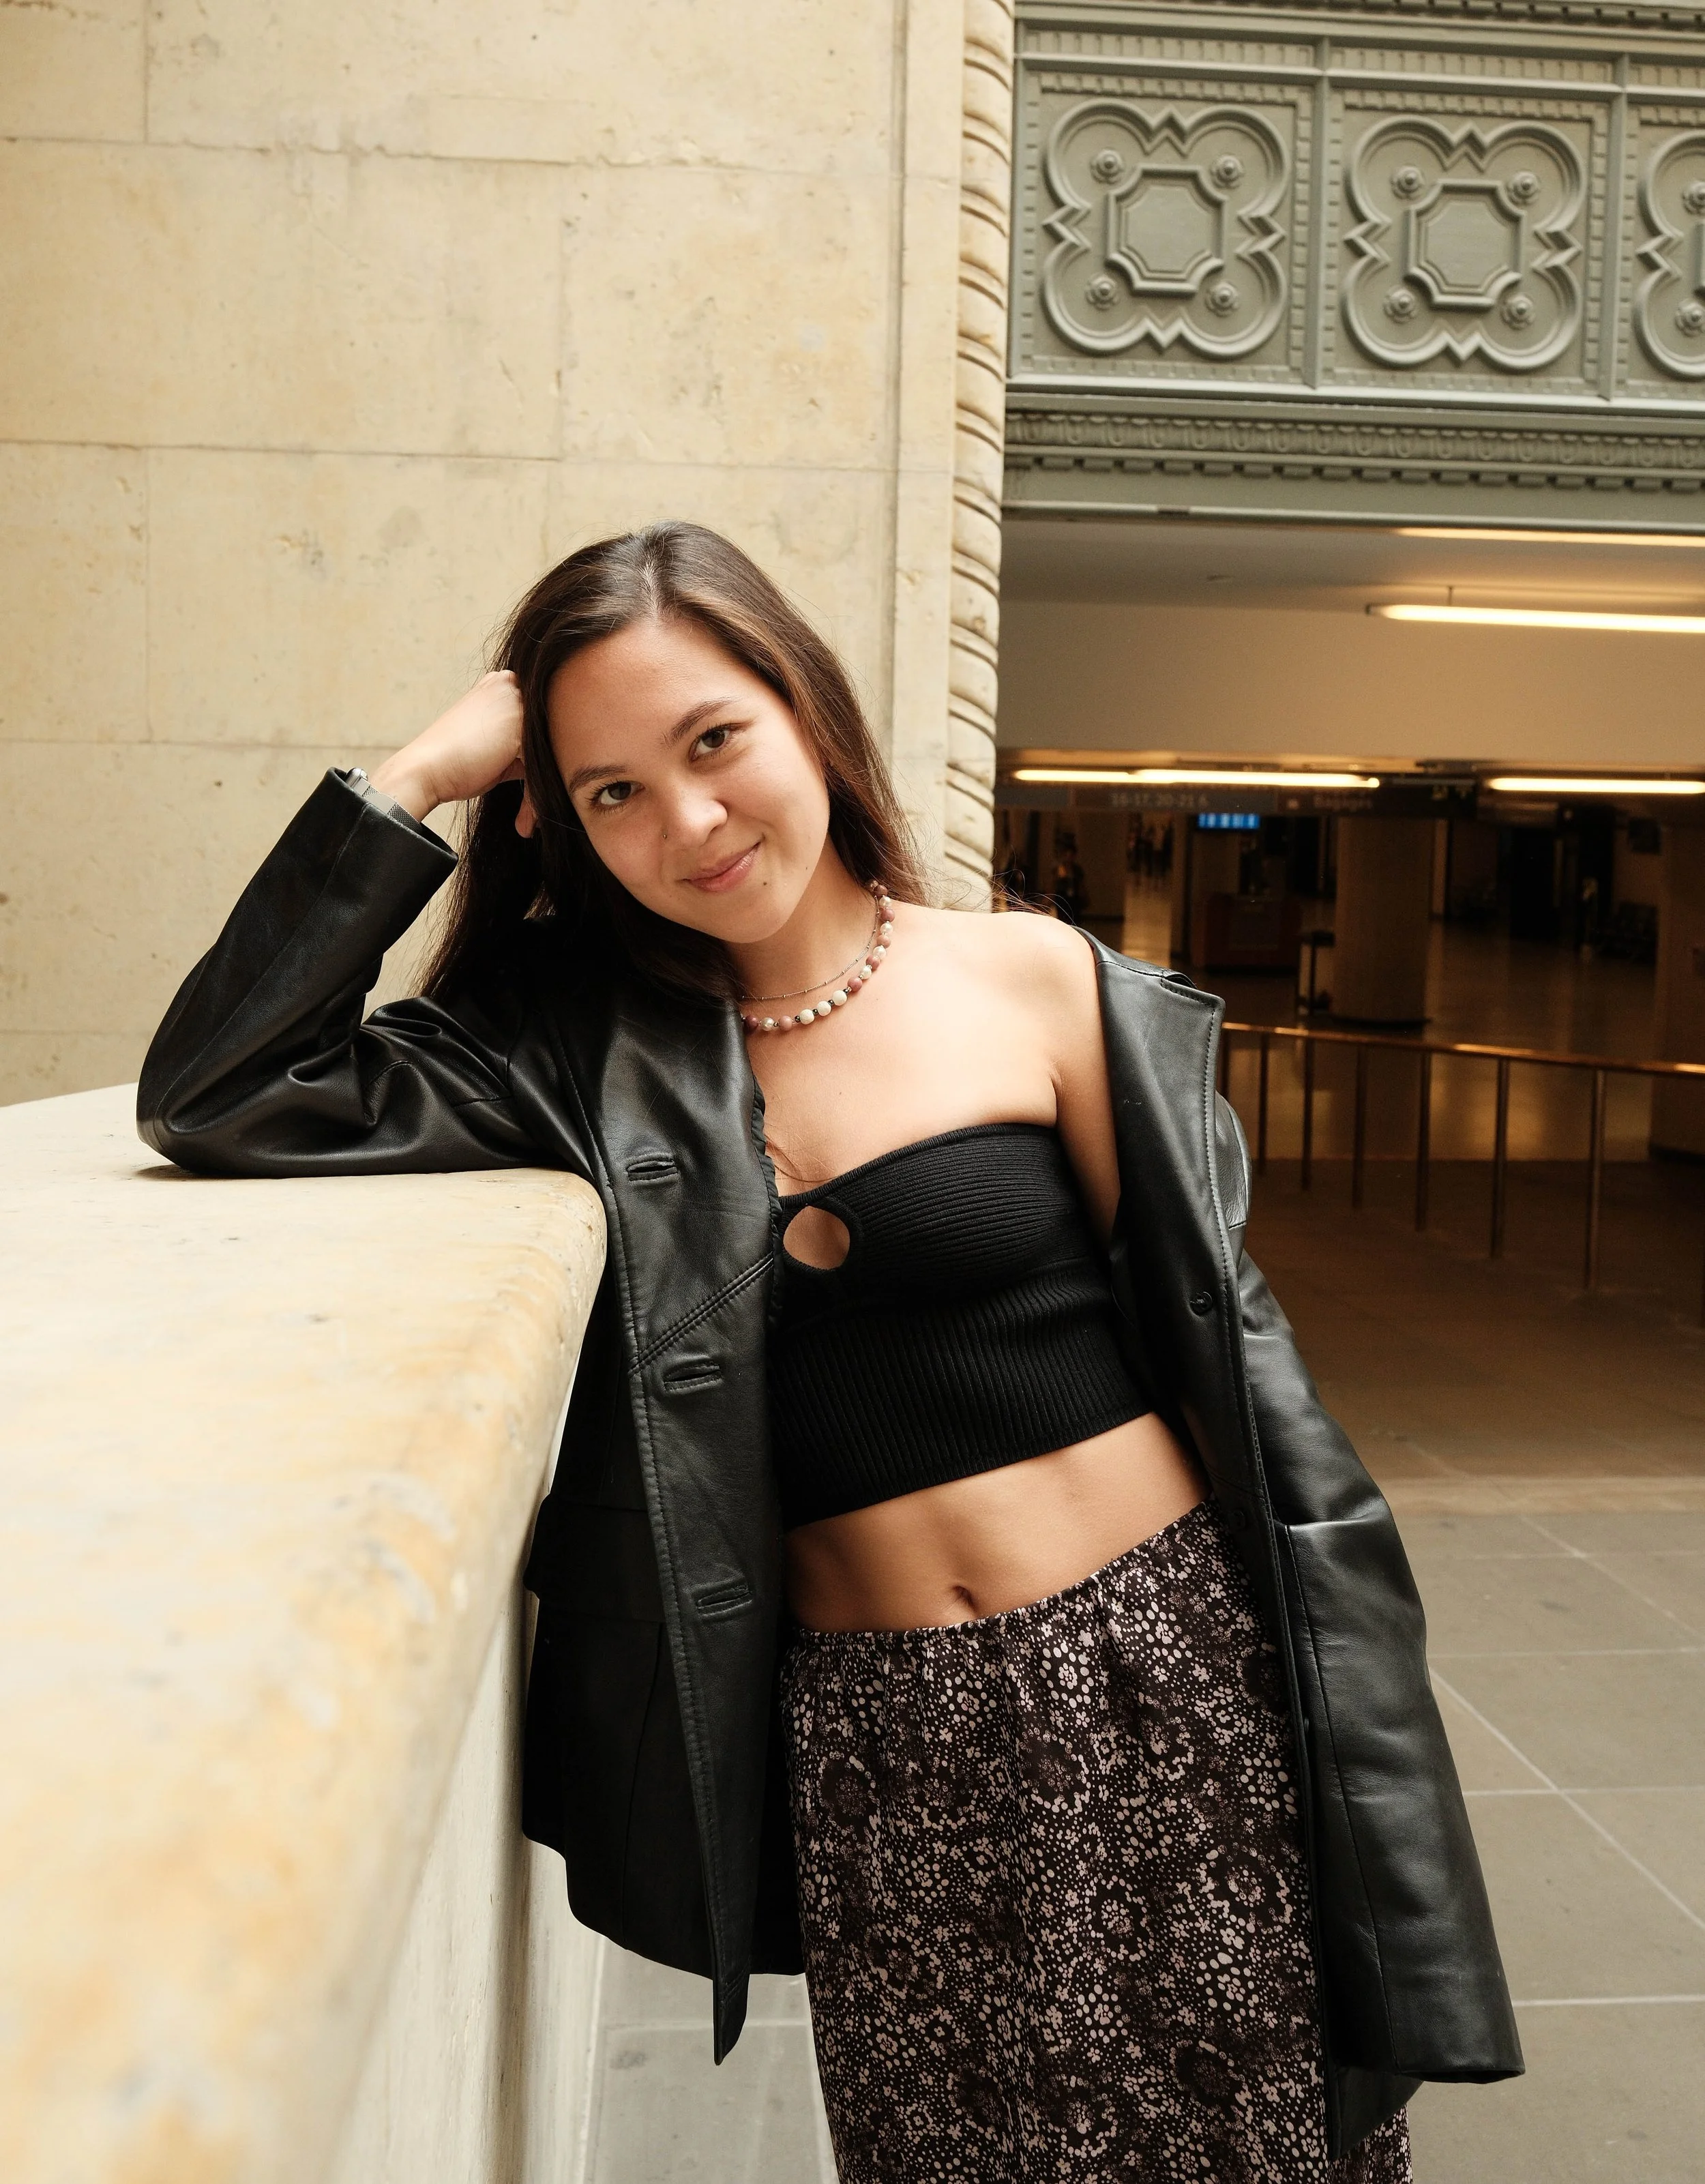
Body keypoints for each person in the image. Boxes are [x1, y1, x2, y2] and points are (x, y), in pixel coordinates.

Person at [138, 523, 1520, 2182]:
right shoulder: (564, 1058)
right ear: (555, 819)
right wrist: (421, 773)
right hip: (879, 1737)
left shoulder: (1030, 981)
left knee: (1257, 2143)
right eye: (613, 790)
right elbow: (221, 1089)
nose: (691, 821)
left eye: (715, 740)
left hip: (1160, 1675)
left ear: (807, 708)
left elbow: (1229, 1361)